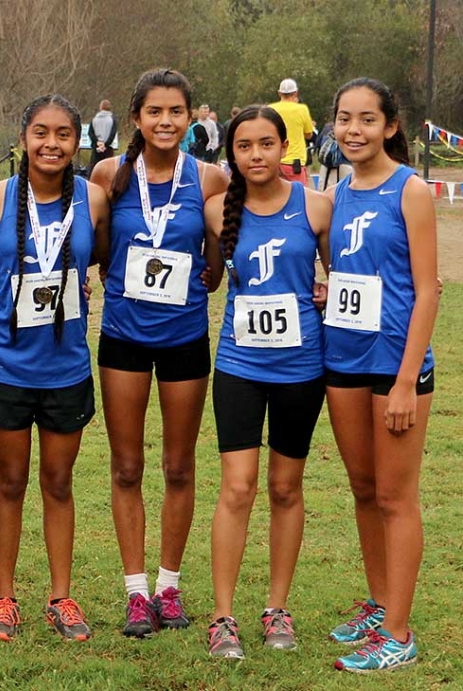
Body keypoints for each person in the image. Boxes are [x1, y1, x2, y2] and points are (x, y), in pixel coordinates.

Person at [90, 68, 226, 640]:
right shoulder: (108, 173)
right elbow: (95, 249)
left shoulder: (211, 178)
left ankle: (169, 586)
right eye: (155, 112)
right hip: (122, 335)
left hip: (185, 338)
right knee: (126, 467)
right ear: (136, 118)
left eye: (176, 112)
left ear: (190, 117)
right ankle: (136, 591)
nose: (166, 122)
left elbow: (216, 269)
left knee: (178, 465)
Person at [0, 94, 109, 642]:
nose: (51, 143)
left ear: (77, 141)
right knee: (9, 482)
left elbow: (103, 254)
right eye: (40, 132)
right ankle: (5, 598)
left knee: (58, 482)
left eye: (62, 134)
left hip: (67, 367)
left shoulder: (95, 199)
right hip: (7, 365)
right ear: (22, 138)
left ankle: (60, 596)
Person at [204, 105, 332, 660]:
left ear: (285, 146)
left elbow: (341, 278)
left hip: (302, 368)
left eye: (265, 144)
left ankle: (278, 607)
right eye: (243, 146)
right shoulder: (215, 211)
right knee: (238, 487)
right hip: (239, 366)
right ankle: (223, 616)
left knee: (285, 488)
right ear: (231, 153)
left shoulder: (317, 206)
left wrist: (325, 293)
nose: (255, 155)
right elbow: (210, 278)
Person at [324, 78, 438, 674]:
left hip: (394, 367)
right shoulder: (339, 192)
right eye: (344, 119)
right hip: (341, 360)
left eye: (367, 120)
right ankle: (378, 604)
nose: (354, 130)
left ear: (390, 126)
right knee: (364, 489)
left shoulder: (410, 189)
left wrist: (404, 379)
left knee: (396, 497)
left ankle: (398, 631)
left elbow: (427, 291)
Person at [269, 79, 315, 185]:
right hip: (295, 162)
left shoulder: (270, 109)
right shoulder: (301, 109)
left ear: (279, 93)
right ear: (296, 93)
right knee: (299, 196)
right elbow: (309, 135)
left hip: (274, 160)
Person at [88, 99, 118, 174]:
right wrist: (105, 144)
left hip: (96, 148)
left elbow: (90, 133)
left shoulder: (94, 119)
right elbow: (112, 134)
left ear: (100, 107)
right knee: (108, 172)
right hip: (108, 149)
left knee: (94, 171)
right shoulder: (112, 120)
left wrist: (97, 142)